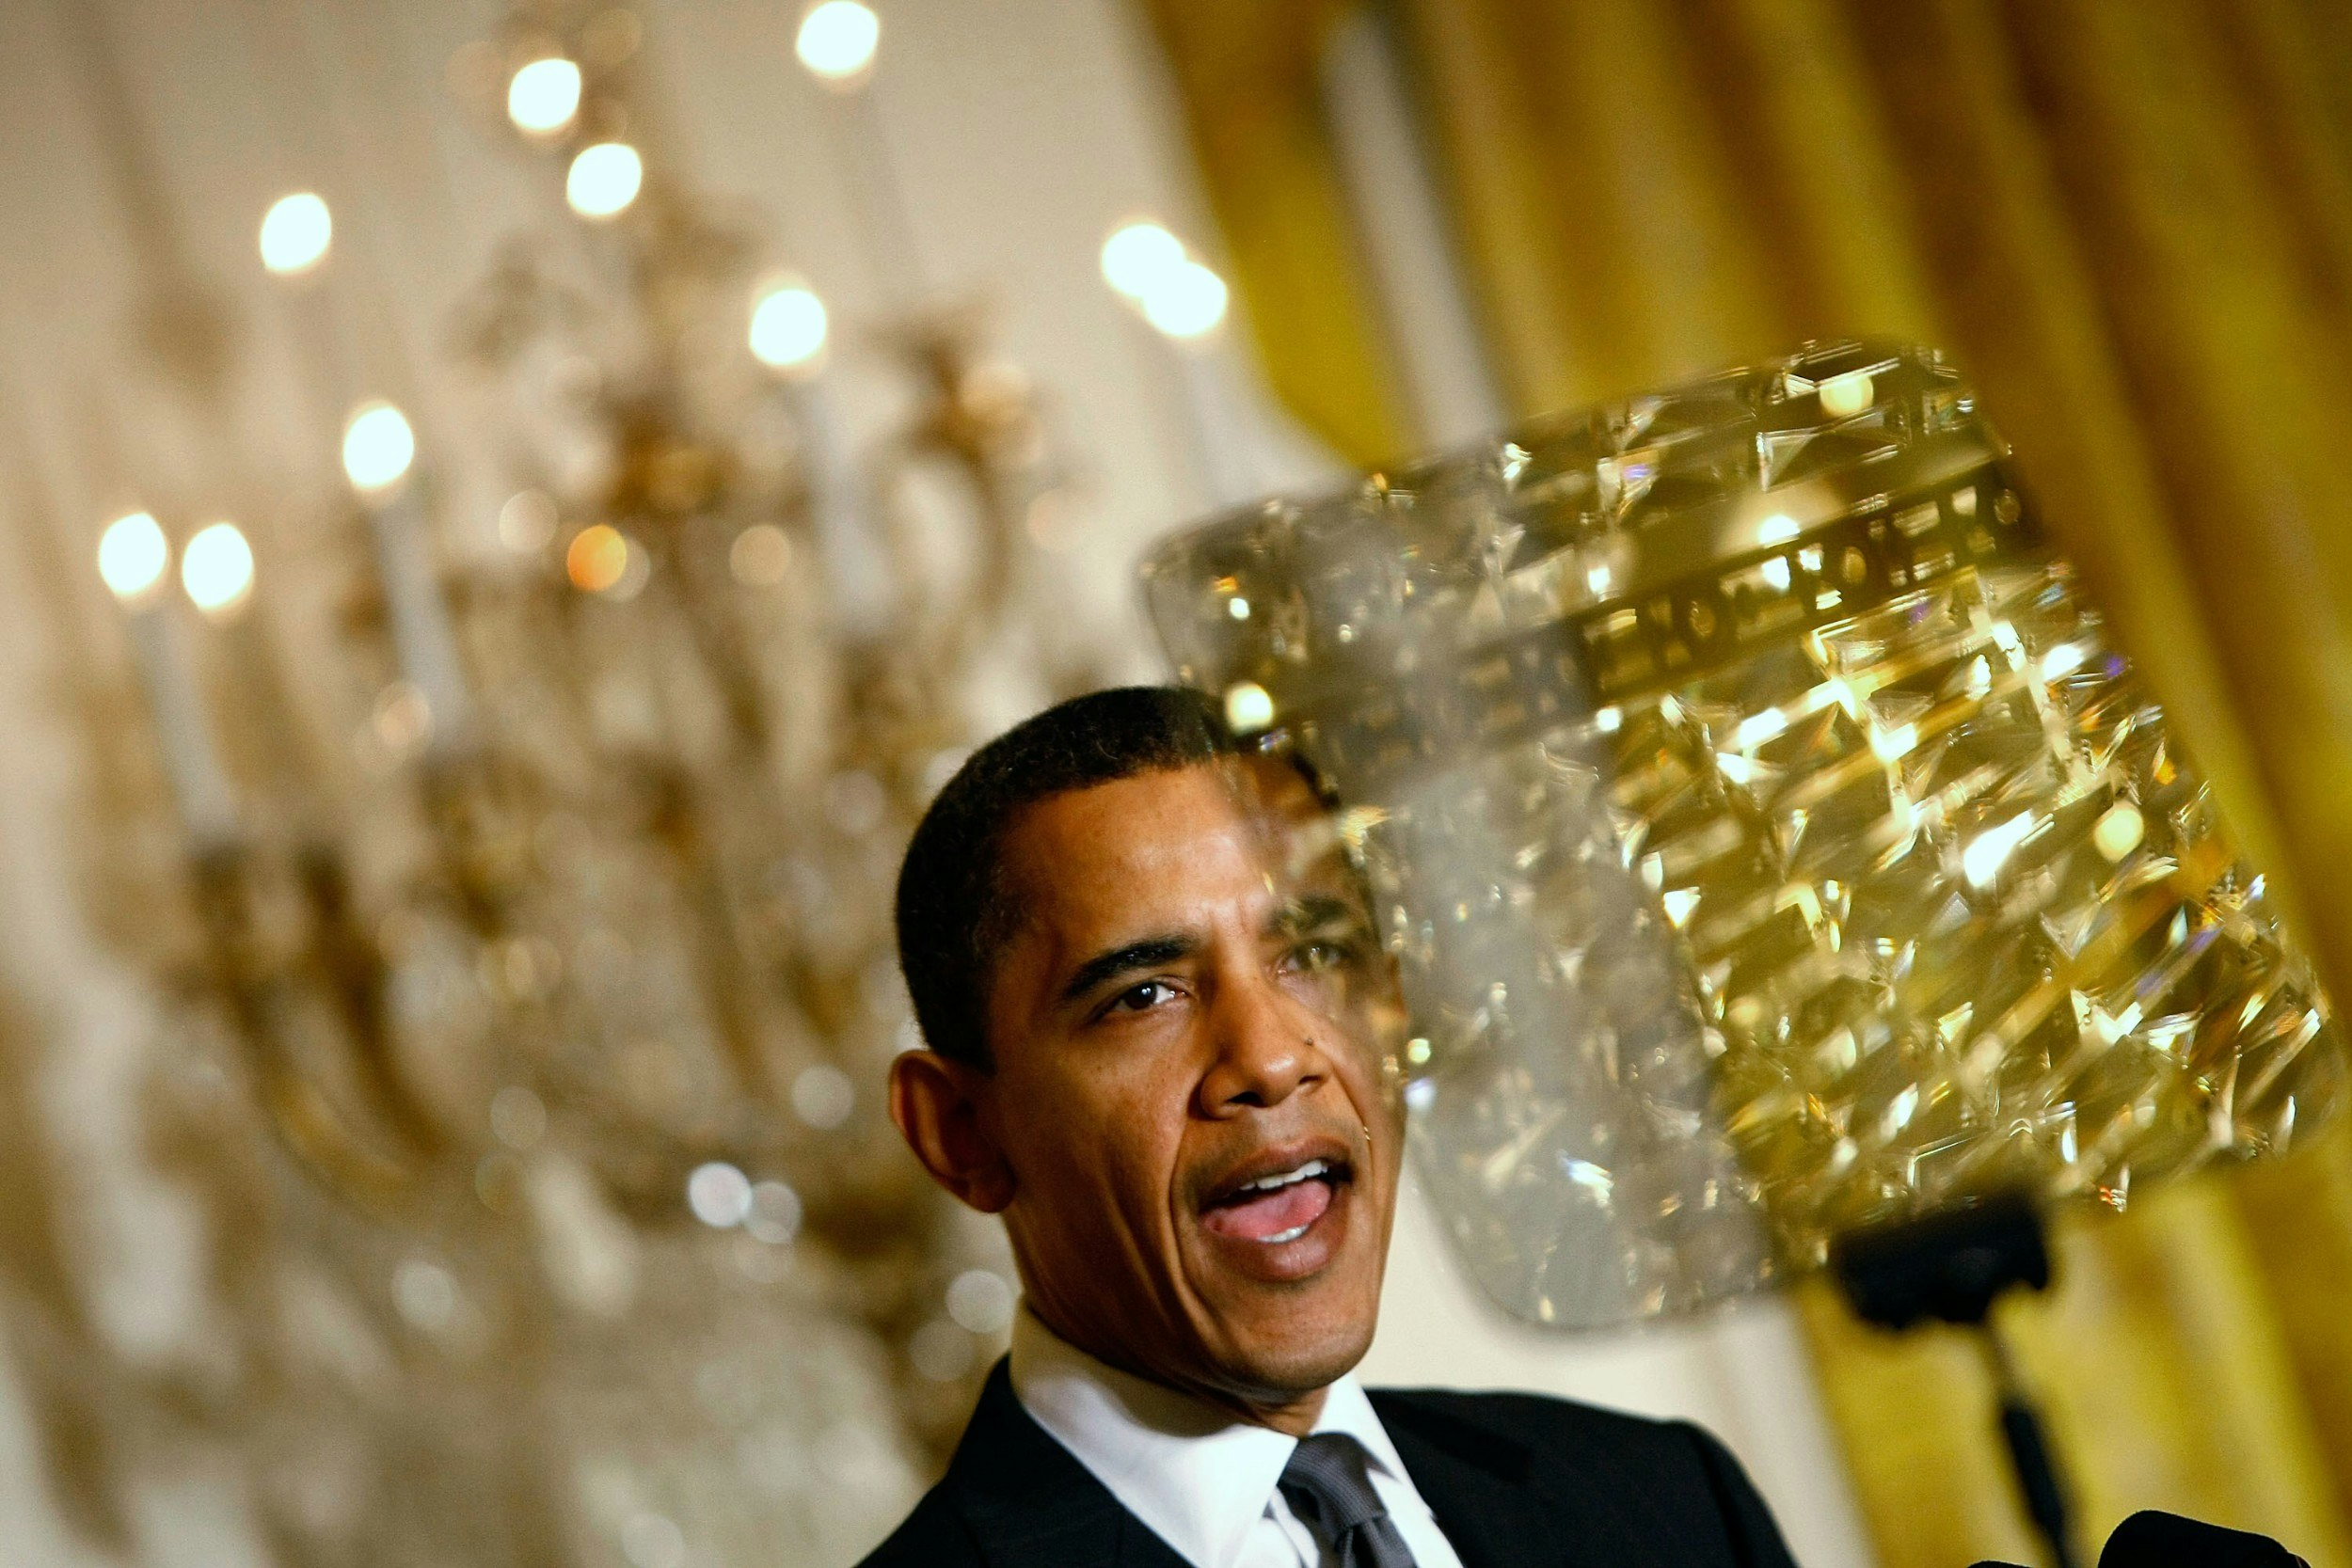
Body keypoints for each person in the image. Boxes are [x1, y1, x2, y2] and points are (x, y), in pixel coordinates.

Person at [866, 686, 1801, 1568]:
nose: (1271, 1058)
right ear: (961, 1133)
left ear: (1389, 1011)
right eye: (1143, 994)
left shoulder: (1667, 1498)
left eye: (1310, 953)